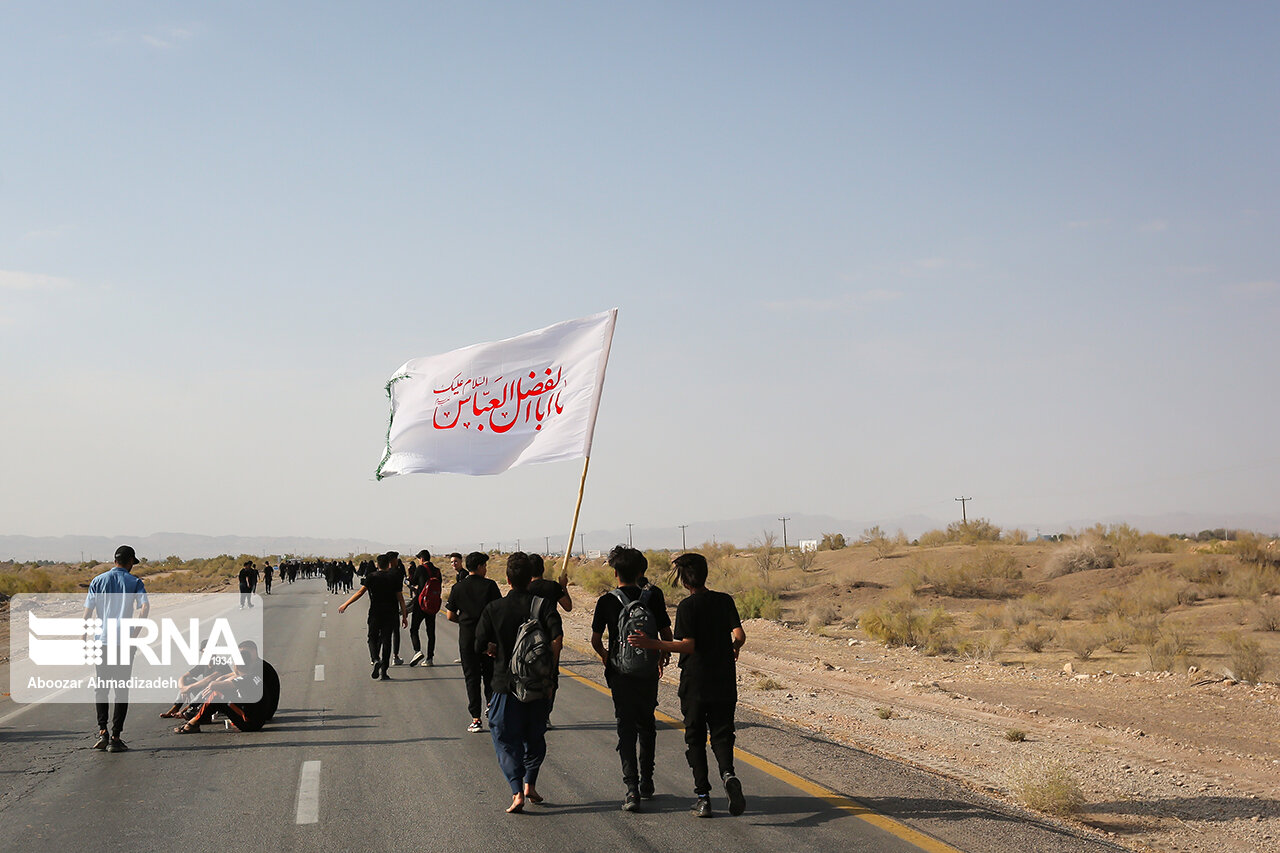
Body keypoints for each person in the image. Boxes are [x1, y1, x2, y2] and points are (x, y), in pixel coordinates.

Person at [629, 552, 747, 818]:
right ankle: (728, 775)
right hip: (724, 678)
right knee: (723, 732)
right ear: (705, 574)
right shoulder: (724, 600)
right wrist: (734, 648)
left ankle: (703, 798)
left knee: (695, 737)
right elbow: (740, 635)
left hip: (696, 680)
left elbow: (688, 645)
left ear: (684, 580)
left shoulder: (687, 607)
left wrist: (653, 644)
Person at [474, 552, 563, 814]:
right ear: (531, 577)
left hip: (505, 685)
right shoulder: (543, 606)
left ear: (507, 579)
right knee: (535, 735)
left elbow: (478, 644)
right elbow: (557, 638)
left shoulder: (494, 608)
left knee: (503, 736)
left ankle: (516, 790)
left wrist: (493, 649)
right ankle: (530, 784)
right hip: (537, 686)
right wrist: (550, 673)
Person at [590, 545, 673, 811]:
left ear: (615, 573)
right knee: (647, 724)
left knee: (625, 727)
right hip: (647, 671)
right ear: (642, 571)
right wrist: (661, 658)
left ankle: (631, 789)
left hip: (620, 673)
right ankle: (648, 780)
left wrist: (606, 656)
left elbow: (595, 639)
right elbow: (666, 634)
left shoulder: (606, 601)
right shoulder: (654, 595)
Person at [83, 545, 150, 753]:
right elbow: (145, 607)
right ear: (130, 561)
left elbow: (87, 613)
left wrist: (84, 636)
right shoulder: (135, 582)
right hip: (123, 643)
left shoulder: (97, 581)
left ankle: (102, 731)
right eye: (132, 562)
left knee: (102, 687)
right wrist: (135, 632)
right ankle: (115, 736)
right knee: (121, 689)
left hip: (102, 641)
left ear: (115, 561)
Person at [445, 551, 500, 732]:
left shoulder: (458, 588)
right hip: (488, 639)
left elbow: (450, 615)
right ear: (479, 567)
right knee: (489, 675)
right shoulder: (490, 586)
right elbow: (497, 613)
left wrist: (466, 622)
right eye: (485, 566)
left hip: (467, 639)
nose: (486, 569)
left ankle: (475, 718)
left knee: (472, 678)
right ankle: (492, 708)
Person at [172, 641, 279, 734]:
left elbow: (214, 685)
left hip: (250, 723)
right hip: (257, 717)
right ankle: (201, 716)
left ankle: (193, 723)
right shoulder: (252, 674)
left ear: (236, 666)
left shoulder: (247, 678)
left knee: (217, 695)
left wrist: (214, 685)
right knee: (222, 694)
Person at [338, 552, 408, 680]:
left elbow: (360, 593)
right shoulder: (394, 577)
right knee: (387, 641)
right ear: (388, 564)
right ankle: (384, 672)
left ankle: (375, 658)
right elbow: (401, 598)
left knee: (372, 637)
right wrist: (404, 615)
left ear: (377, 564)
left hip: (376, 612)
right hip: (391, 613)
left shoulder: (372, 576)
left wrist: (346, 604)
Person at [527, 553, 572, 727]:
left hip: (529, 638)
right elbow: (568, 606)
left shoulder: (526, 588)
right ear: (543, 568)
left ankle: (530, 713)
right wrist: (563, 587)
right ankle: (545, 715)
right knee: (551, 676)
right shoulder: (553, 587)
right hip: (551, 635)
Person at [407, 549, 442, 666]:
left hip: (421, 603)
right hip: (432, 604)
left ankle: (417, 651)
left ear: (421, 559)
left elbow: (413, 581)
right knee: (430, 632)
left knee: (414, 629)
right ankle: (429, 658)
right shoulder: (437, 571)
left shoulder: (420, 568)